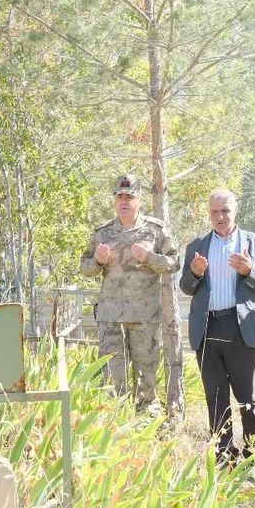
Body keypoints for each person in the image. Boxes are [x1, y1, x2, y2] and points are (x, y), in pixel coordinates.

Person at [179, 189, 255, 463]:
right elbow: (186, 286)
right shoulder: (196, 246)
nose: (220, 217)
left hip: (241, 327)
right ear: (209, 213)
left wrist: (249, 271)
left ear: (235, 210)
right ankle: (223, 458)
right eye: (215, 212)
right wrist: (195, 273)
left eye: (225, 211)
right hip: (208, 328)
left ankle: (253, 459)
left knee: (248, 399)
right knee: (216, 398)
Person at [80, 173, 179, 412]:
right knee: (112, 380)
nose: (124, 201)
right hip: (111, 318)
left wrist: (150, 258)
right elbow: (85, 268)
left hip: (144, 316)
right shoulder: (102, 232)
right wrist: (98, 260)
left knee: (146, 379)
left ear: (139, 200)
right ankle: (116, 423)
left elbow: (174, 262)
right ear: (114, 200)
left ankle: (147, 424)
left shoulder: (155, 230)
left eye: (129, 197)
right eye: (119, 197)